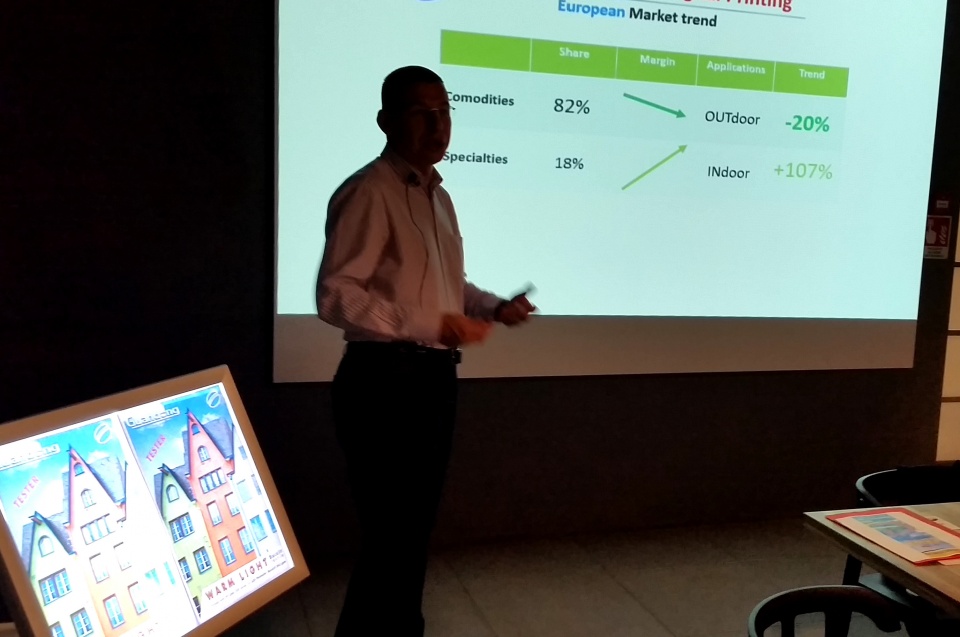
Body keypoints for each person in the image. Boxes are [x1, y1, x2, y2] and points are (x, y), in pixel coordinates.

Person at [316, 65, 535, 636]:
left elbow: (446, 284)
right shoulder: (369, 191)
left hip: (431, 382)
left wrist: (493, 307)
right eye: (422, 113)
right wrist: (430, 323)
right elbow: (335, 295)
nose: (439, 127)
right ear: (386, 121)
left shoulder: (439, 197)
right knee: (392, 536)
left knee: (410, 534)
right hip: (383, 383)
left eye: (445, 113)